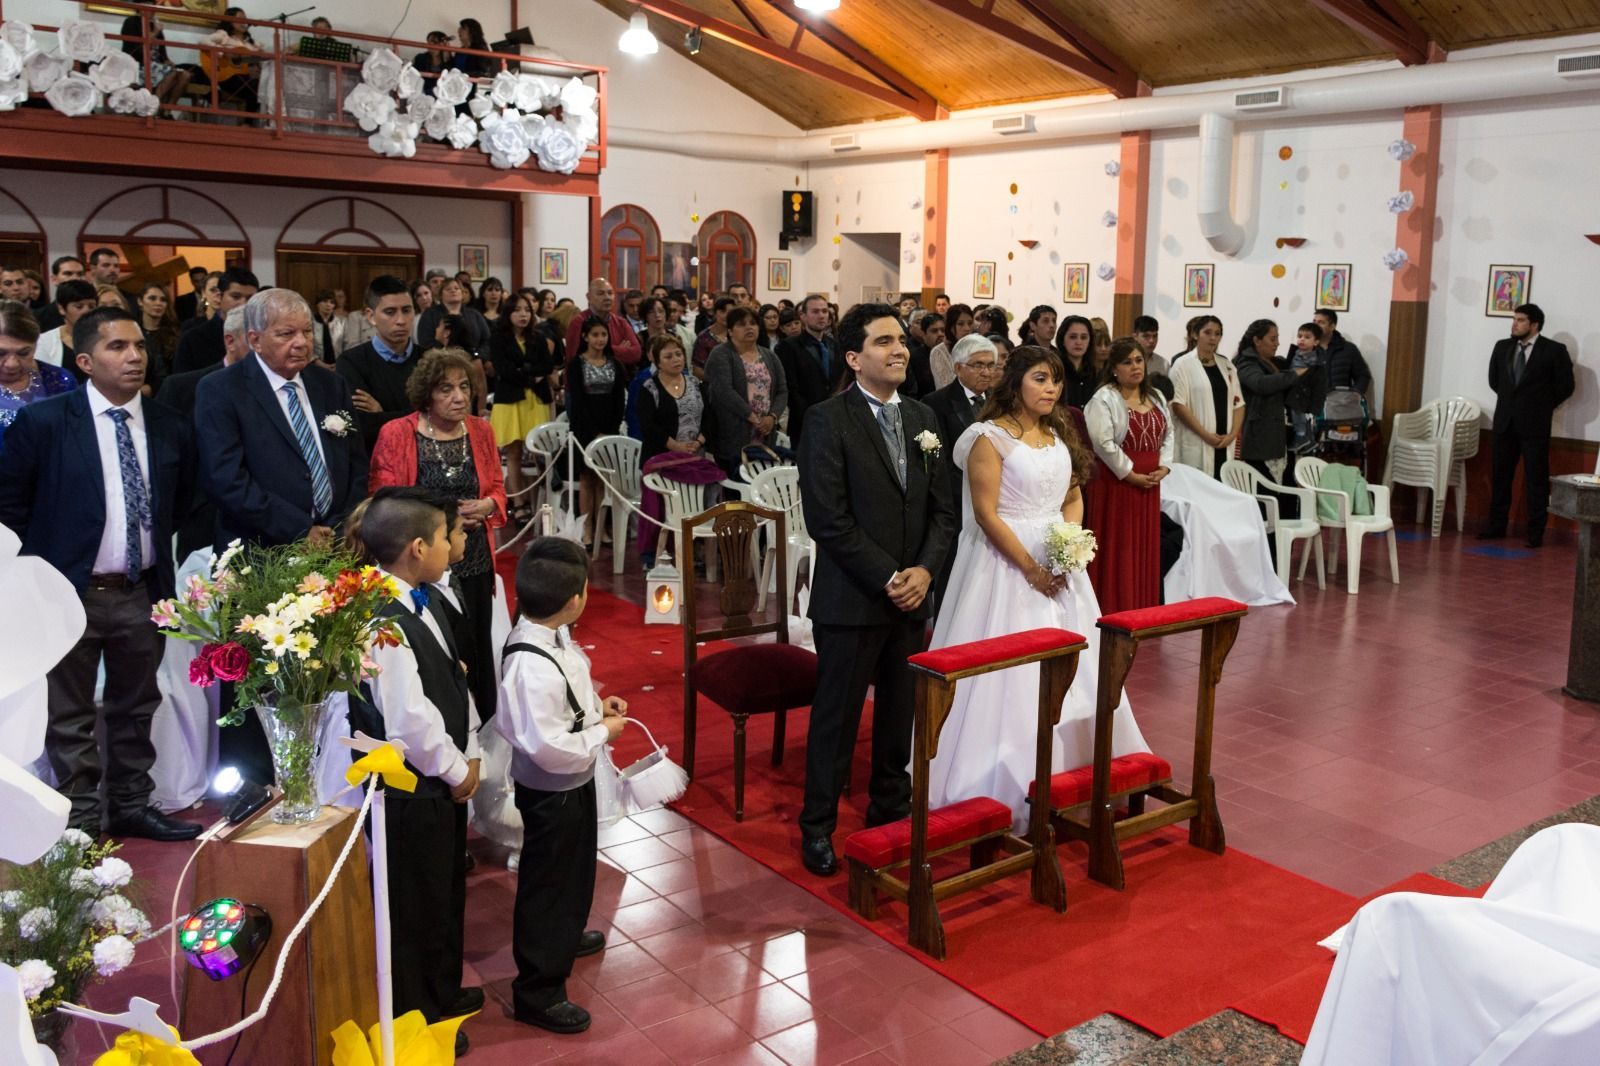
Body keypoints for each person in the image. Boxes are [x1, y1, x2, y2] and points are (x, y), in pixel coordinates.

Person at [0, 306, 199, 841]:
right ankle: (80, 818)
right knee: (69, 714)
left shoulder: (168, 425)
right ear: (84, 360)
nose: (134, 356)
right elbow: (12, 508)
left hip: (141, 588)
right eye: (117, 347)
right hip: (67, 591)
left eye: (138, 345)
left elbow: (178, 506)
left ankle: (132, 804)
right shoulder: (45, 423)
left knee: (137, 705)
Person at [929, 344, 1149, 826]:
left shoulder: (1059, 433)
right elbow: (985, 514)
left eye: (1056, 382)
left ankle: (1074, 771)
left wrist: (1068, 541)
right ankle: (997, 781)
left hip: (1060, 564)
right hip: (1005, 569)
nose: (1051, 390)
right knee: (1008, 673)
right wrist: (1030, 566)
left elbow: (1073, 496)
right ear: (1015, 383)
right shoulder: (988, 437)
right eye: (1040, 380)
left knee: (1079, 667)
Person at [796, 302, 957, 877]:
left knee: (898, 713)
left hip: (913, 596)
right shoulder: (827, 419)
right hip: (853, 598)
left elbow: (944, 509)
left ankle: (888, 807)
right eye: (883, 342)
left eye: (902, 342)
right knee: (836, 719)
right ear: (854, 356)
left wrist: (926, 573)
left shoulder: (923, 418)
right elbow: (828, 519)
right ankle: (817, 826)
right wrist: (890, 576)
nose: (898, 351)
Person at [194, 289, 368, 783]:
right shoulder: (223, 390)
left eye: (306, 332)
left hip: (331, 551)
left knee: (326, 664)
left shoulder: (328, 385)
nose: (300, 343)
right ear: (253, 339)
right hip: (260, 552)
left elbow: (354, 460)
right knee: (258, 673)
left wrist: (340, 525)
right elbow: (226, 479)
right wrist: (297, 528)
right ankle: (253, 783)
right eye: (285, 333)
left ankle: (327, 772)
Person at [345, 488, 480, 1058]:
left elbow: (453, 677)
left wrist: (468, 750)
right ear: (419, 547)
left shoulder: (423, 597)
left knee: (445, 892)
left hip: (439, 780)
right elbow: (408, 718)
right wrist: (455, 769)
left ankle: (443, 994)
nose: (456, 543)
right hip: (412, 787)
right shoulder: (386, 621)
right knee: (416, 905)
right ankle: (415, 1018)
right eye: (449, 536)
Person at [497, 537, 628, 1034]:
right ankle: (539, 988)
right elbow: (545, 745)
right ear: (577, 599)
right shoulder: (529, 663)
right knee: (547, 883)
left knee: (574, 869)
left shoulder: (555, 635)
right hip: (551, 787)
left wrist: (598, 708)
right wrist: (601, 732)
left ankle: (565, 934)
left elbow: (570, 693)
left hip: (573, 781)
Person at [369, 348, 505, 720]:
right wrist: (443, 517)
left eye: (464, 386)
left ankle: (481, 733)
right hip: (422, 566)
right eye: (446, 389)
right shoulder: (397, 433)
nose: (459, 397)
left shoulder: (481, 430)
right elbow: (384, 501)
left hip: (473, 558)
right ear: (427, 393)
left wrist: (488, 506)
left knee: (475, 647)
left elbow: (496, 486)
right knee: (436, 652)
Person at [1084, 338, 1173, 614]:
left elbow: (1169, 433)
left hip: (1149, 483)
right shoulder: (1104, 399)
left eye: (1138, 360)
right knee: (1118, 547)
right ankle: (1113, 609)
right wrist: (1130, 474)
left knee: (1143, 548)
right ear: (1113, 369)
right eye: (1127, 362)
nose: (1135, 367)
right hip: (1116, 483)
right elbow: (1102, 443)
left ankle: (1142, 608)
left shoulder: (1156, 396)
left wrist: (1165, 466)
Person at [157, 306, 249, 561]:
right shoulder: (182, 388)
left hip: (269, 526)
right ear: (230, 340)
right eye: (254, 338)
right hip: (202, 521)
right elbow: (166, 461)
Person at [1480, 303, 1575, 548]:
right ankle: (1496, 525)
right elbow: (1495, 380)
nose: (1514, 324)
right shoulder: (1502, 347)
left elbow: (1566, 386)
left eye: (1521, 320)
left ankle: (1535, 532)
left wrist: (1541, 405)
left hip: (1534, 425)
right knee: (1501, 478)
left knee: (1536, 480)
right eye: (1514, 319)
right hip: (1505, 423)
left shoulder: (1553, 351)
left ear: (1535, 325)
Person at [924, 333, 999, 608]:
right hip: (955, 501)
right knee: (954, 573)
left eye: (991, 365)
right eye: (978, 365)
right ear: (958, 368)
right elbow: (937, 460)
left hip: (995, 498)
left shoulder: (1000, 402)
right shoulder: (936, 403)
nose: (986, 372)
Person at [636, 334, 720, 568]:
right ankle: (653, 553)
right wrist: (675, 446)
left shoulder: (695, 384)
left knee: (708, 493)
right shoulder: (649, 388)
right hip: (662, 457)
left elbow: (711, 417)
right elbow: (647, 425)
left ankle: (696, 549)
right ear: (657, 360)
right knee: (661, 503)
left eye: (679, 354)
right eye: (668, 356)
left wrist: (699, 441)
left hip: (695, 455)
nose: (675, 359)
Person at [565, 315, 630, 549]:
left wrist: (609, 431)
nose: (600, 339)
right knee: (587, 479)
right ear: (585, 337)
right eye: (595, 335)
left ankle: (602, 526)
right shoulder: (576, 364)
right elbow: (578, 402)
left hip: (609, 428)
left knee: (602, 479)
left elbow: (618, 400)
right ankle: (587, 527)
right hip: (584, 427)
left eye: (603, 335)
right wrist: (593, 433)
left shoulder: (615, 364)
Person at [488, 293, 555, 518]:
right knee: (514, 452)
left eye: (526, 309)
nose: (523, 314)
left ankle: (541, 502)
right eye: (517, 310)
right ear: (508, 314)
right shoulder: (498, 338)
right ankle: (518, 503)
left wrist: (522, 369)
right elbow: (503, 369)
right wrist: (529, 374)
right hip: (510, 400)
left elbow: (546, 365)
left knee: (539, 453)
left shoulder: (538, 337)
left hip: (535, 400)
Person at [1234, 319, 1310, 518]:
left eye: (1277, 339)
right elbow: (1260, 384)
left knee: (1285, 501)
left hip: (1278, 438)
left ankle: (1281, 546)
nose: (1277, 343)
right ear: (1257, 341)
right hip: (1258, 442)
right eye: (1272, 338)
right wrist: (1294, 375)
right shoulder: (1245, 362)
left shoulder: (1274, 362)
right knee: (1265, 503)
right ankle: (1268, 545)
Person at [704, 306, 787, 478]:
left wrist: (772, 417)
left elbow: (782, 390)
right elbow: (723, 391)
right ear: (730, 330)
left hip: (764, 432)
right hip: (732, 430)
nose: (749, 327)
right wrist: (752, 417)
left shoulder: (769, 356)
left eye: (753, 323)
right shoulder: (721, 354)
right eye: (742, 324)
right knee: (735, 487)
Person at [337, 275, 420, 449]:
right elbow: (362, 426)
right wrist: (420, 415)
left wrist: (382, 414)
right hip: (377, 462)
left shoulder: (430, 359)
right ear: (371, 316)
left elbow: (443, 418)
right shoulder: (352, 362)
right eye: (390, 312)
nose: (401, 321)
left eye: (406, 310)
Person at [1169, 315, 1243, 478]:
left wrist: (1232, 435)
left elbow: (1238, 404)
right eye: (1208, 332)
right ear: (1196, 335)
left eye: (1217, 334)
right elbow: (1178, 405)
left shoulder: (1227, 365)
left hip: (1224, 443)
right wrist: (1205, 434)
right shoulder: (1182, 364)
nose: (1213, 338)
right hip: (1197, 440)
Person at [0, 301, 77, 448]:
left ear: (36, 345)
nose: (12, 363)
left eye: (23, 353)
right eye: (1, 353)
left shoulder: (61, 380)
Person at [774, 293, 837, 445]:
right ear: (803, 316)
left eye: (824, 311)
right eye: (815, 312)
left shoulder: (834, 344)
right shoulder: (788, 346)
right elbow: (791, 388)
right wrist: (811, 415)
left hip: (834, 419)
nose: (821, 316)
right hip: (805, 420)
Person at [172, 266, 258, 373]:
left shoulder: (262, 336)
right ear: (219, 296)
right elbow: (181, 384)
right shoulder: (192, 339)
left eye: (250, 298)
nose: (243, 304)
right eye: (236, 297)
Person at [33, 280, 99, 382]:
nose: (86, 311)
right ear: (61, 309)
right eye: (79, 306)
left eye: (91, 306)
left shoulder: (105, 338)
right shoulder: (44, 341)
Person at [121, 12, 192, 104]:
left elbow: (162, 52)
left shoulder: (154, 25)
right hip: (139, 65)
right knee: (171, 74)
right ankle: (153, 104)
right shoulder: (131, 22)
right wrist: (155, 32)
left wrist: (168, 61)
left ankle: (167, 112)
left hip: (157, 66)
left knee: (185, 75)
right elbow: (135, 48)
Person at [1313, 308, 1372, 396]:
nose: (1315, 325)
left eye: (1321, 322)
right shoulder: (1306, 349)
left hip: (1340, 404)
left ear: (1332, 326)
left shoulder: (1349, 349)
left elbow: (1362, 376)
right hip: (1312, 405)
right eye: (1314, 322)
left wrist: (1355, 395)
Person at [136, 283, 180, 395]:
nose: (158, 303)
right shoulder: (133, 334)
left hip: (169, 393)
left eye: (163, 300)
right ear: (140, 301)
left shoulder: (176, 335)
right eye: (152, 298)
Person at [32, 257, 88, 332]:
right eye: (68, 274)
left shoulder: (94, 313)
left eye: (80, 274)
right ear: (54, 279)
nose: (75, 278)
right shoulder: (38, 317)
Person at [1053, 315, 1097, 408]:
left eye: (1084, 337)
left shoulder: (1096, 372)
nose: (1078, 342)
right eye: (1073, 337)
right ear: (1062, 340)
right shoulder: (1055, 370)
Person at [928, 302, 974, 391]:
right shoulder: (939, 352)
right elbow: (945, 386)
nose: (967, 328)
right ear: (951, 326)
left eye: (970, 323)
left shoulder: (976, 348)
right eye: (960, 324)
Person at [690, 295, 734, 379]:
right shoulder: (704, 337)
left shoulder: (736, 335)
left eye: (730, 312)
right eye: (722, 311)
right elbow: (697, 371)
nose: (726, 315)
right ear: (715, 312)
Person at [1132, 314, 1173, 400]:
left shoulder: (1163, 364)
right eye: (1146, 336)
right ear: (1135, 337)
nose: (1151, 341)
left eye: (1155, 336)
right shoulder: (1127, 362)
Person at [310, 289, 349, 367]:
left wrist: (339, 363)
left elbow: (347, 345)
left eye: (332, 302)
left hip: (339, 365)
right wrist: (320, 364)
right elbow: (307, 347)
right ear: (318, 304)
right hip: (315, 365)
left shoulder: (342, 322)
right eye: (325, 301)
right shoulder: (309, 322)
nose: (328, 305)